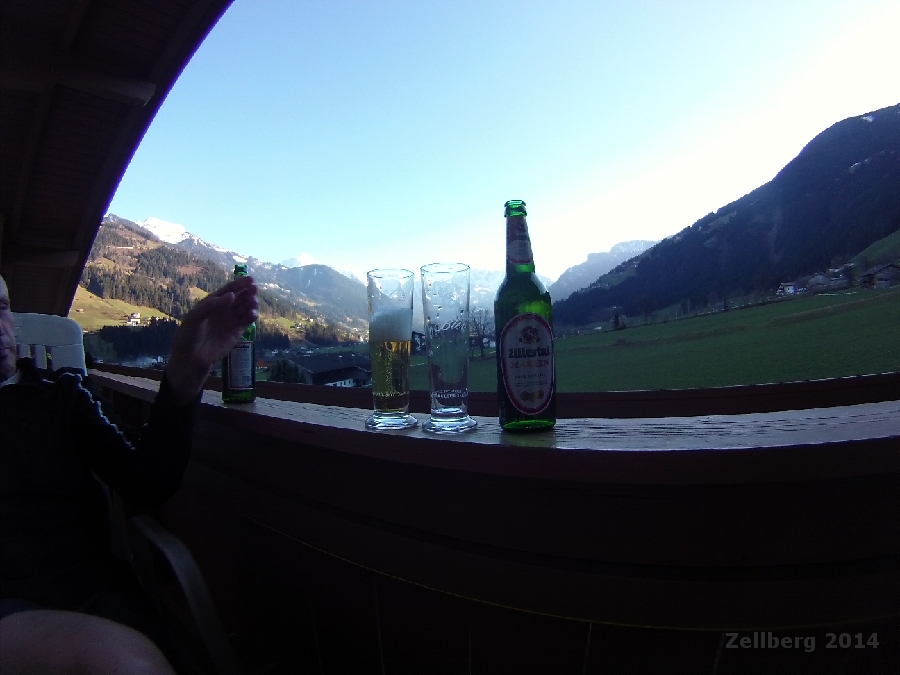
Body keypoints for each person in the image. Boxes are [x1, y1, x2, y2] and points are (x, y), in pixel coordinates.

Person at [0, 272, 258, 673]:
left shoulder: (61, 397)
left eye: (1, 308)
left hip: (90, 599)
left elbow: (147, 483)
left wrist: (185, 374)